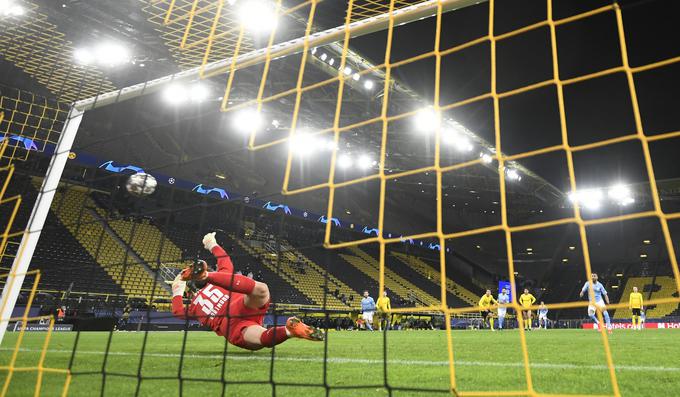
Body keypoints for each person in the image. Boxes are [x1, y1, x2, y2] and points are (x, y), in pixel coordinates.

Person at [172, 232, 324, 350]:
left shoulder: (194, 306)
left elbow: (178, 312)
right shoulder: (219, 280)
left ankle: (289, 331)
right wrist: (212, 244)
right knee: (262, 289)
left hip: (230, 326)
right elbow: (225, 261)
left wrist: (177, 292)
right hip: (243, 305)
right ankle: (290, 330)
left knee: (260, 339)